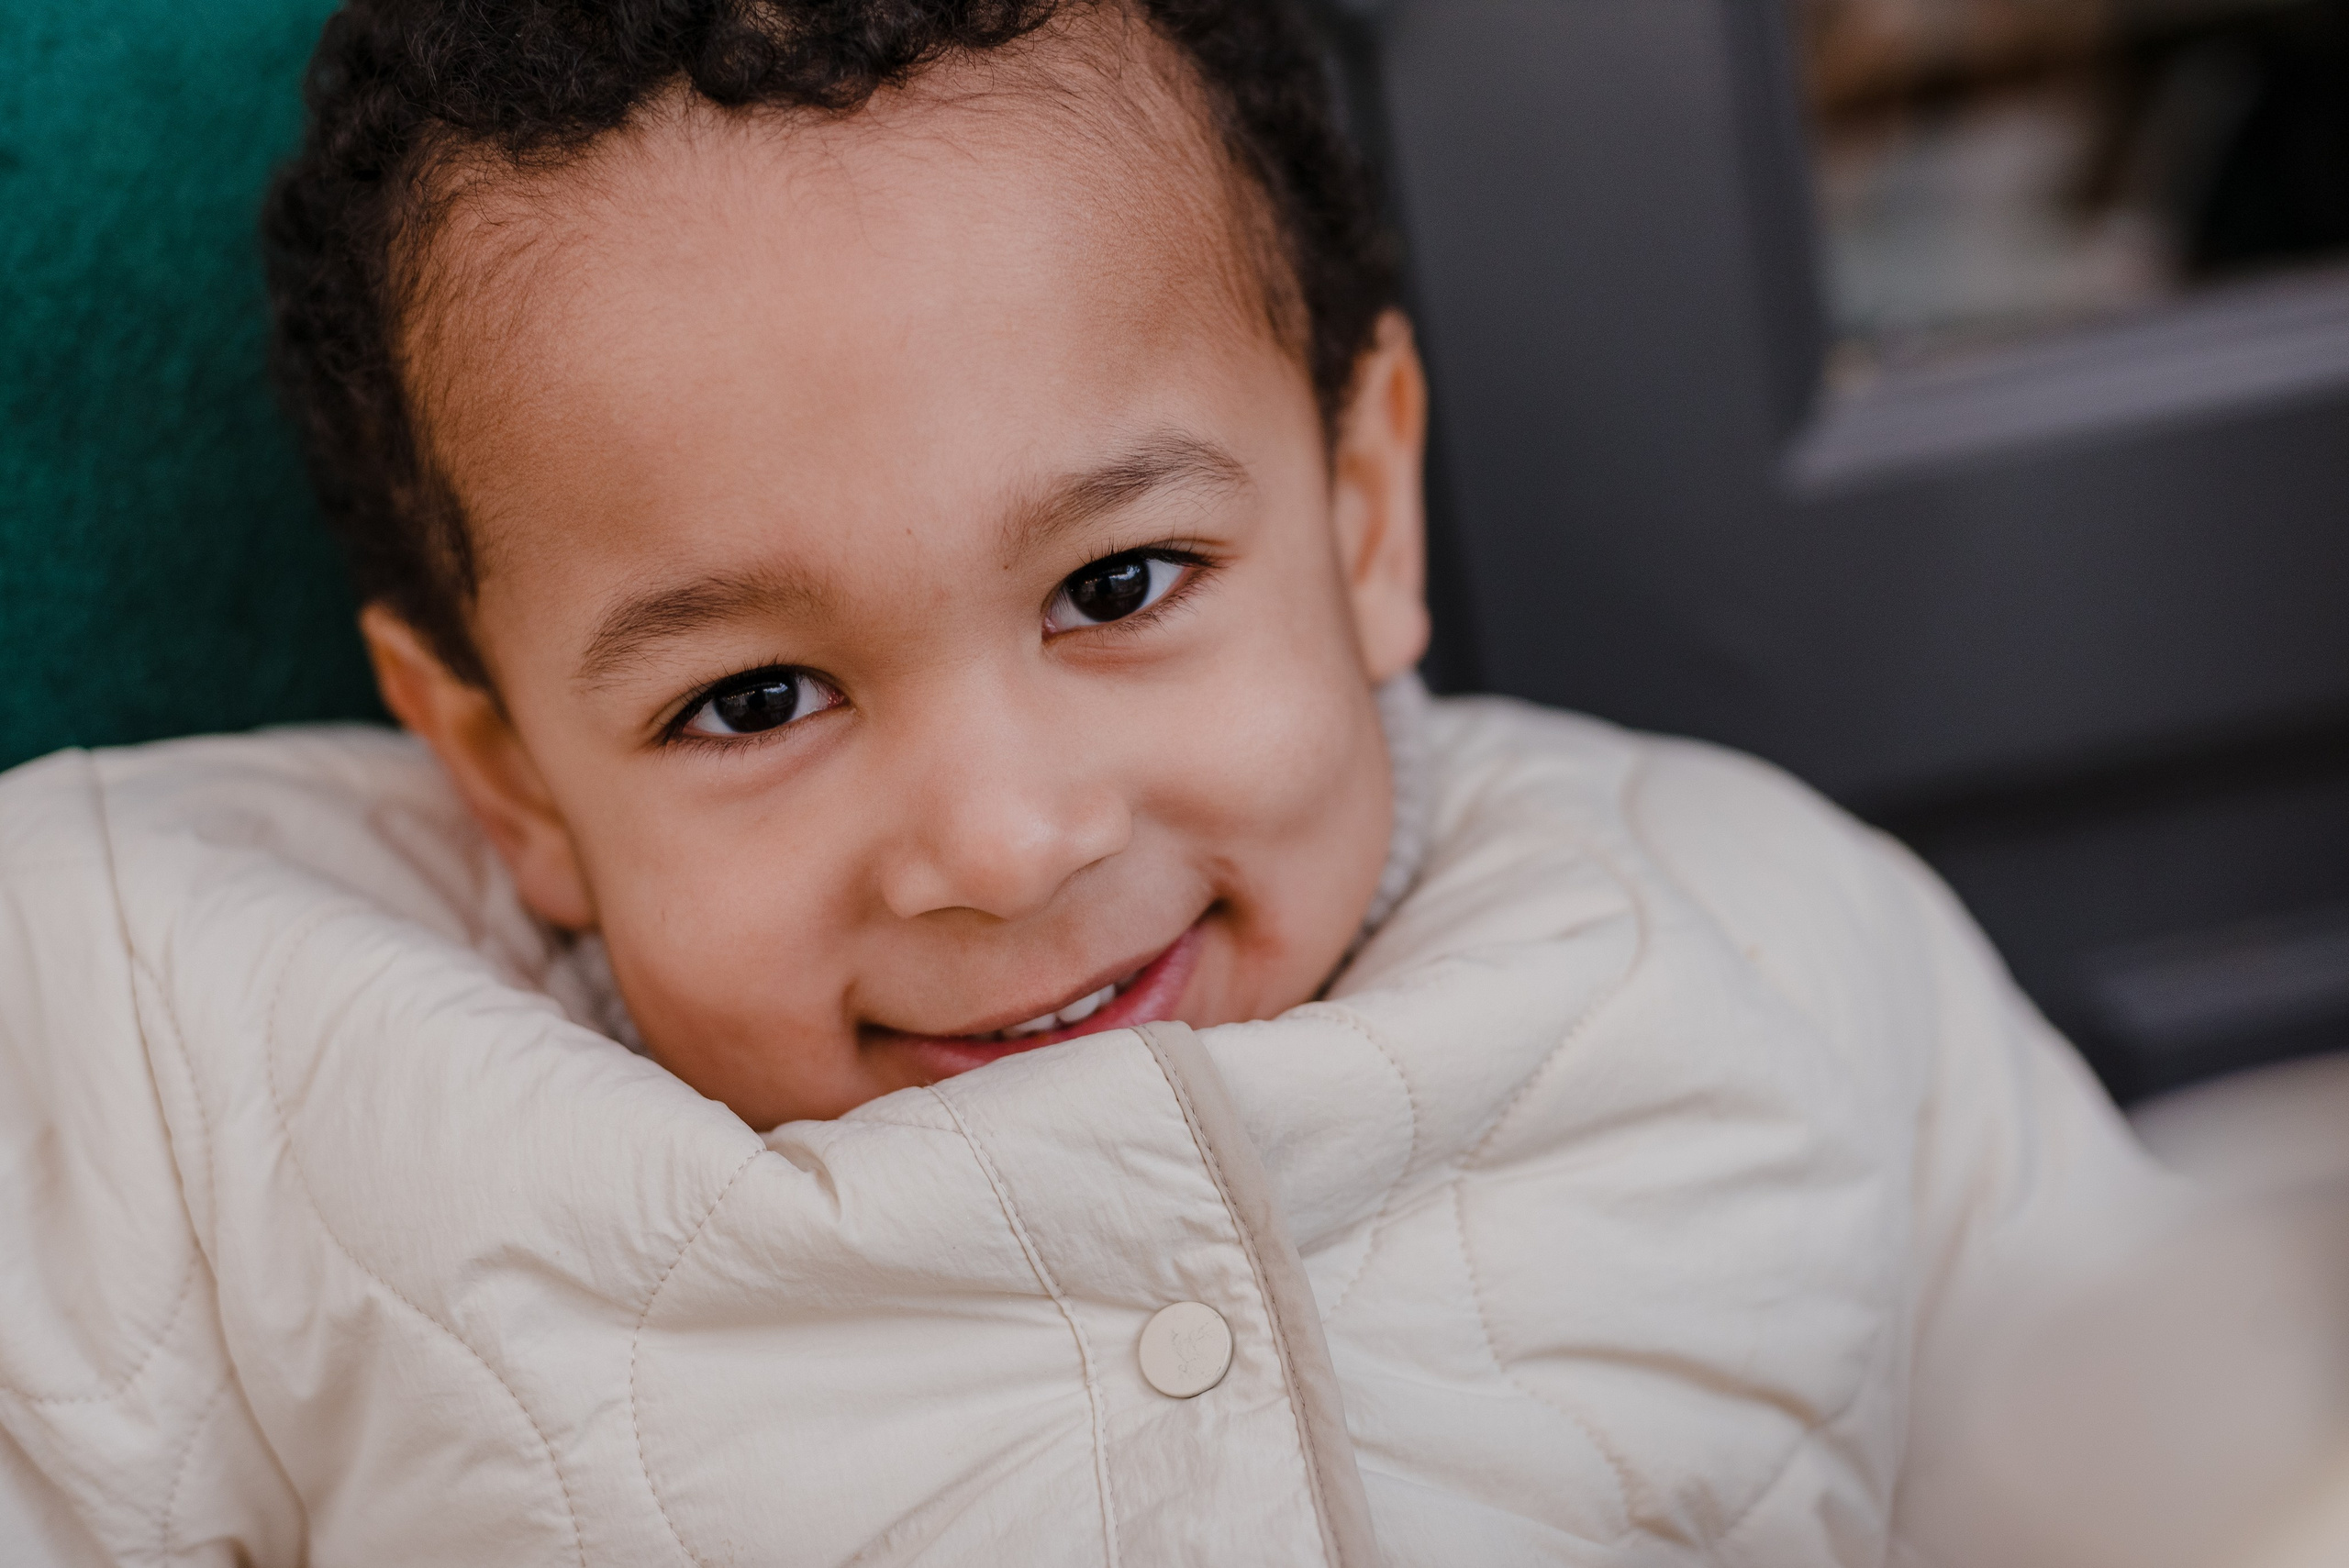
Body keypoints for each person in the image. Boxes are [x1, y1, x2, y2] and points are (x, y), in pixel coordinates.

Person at [0, 1, 2175, 1562]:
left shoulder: (1754, 935)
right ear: (503, 765)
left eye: (1118, 582)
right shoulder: (233, 1073)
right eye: (750, 703)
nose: (1006, 839)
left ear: (1360, 505)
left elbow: (2175, 1456)